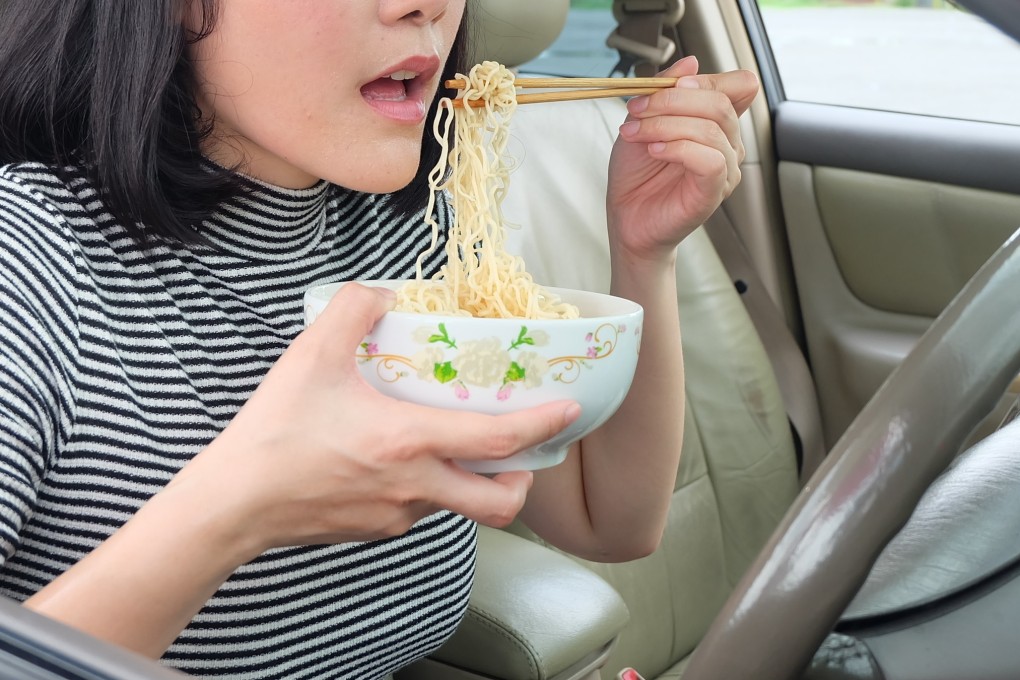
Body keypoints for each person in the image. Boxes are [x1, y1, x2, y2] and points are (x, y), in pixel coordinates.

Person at [0, 0, 759, 678]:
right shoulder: (29, 260)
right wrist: (239, 505)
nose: (424, 6)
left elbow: (610, 520)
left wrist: (643, 252)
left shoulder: (417, 234)